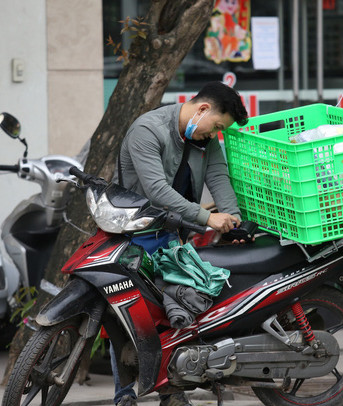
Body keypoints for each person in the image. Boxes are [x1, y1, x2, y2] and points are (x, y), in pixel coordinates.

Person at [112, 81, 249, 406]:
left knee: (174, 314)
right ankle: (124, 395)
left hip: (170, 237)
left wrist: (233, 220)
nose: (214, 133)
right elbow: (157, 190)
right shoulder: (148, 129)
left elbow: (218, 178)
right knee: (126, 320)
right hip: (132, 238)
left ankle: (172, 394)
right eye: (216, 125)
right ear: (202, 109)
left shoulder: (205, 139)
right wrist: (208, 218)